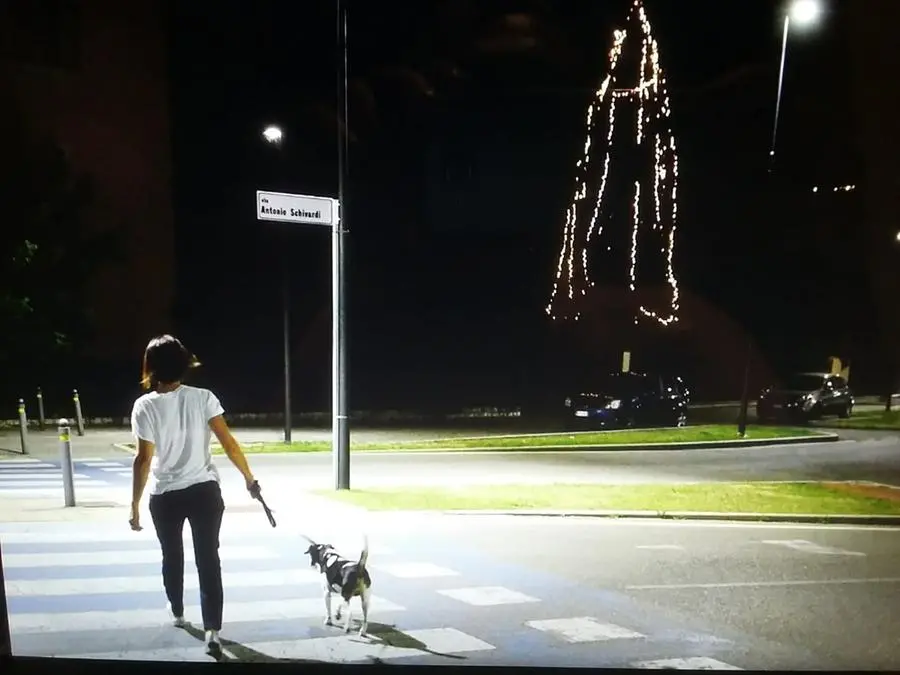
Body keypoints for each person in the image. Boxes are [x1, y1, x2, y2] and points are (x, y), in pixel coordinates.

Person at [128, 334, 261, 654]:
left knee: (172, 556)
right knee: (208, 559)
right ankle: (212, 629)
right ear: (183, 363)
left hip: (165, 495)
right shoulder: (204, 398)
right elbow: (228, 442)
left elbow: (144, 460)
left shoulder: (144, 405)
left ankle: (177, 611)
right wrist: (248, 477)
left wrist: (134, 505)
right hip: (204, 491)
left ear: (152, 367)